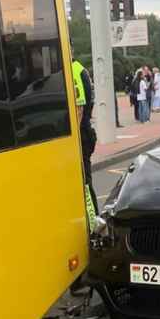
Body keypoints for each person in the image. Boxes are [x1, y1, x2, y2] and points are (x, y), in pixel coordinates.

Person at [71, 57, 98, 212]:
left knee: (85, 183)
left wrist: (73, 140)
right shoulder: (80, 69)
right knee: (84, 181)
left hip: (81, 134)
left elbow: (79, 108)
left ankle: (94, 223)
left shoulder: (74, 70)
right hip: (85, 132)